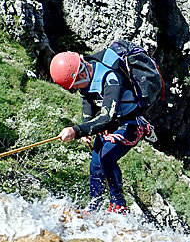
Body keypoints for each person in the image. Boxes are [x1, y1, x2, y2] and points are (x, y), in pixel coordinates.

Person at [50, 48, 151, 214]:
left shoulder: (111, 78)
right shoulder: (85, 78)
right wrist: (86, 127)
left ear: (81, 74)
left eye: (75, 86)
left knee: (107, 158)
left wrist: (77, 131)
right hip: (110, 125)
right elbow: (87, 101)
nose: (76, 90)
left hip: (130, 124)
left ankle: (118, 205)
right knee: (96, 164)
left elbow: (106, 117)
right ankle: (94, 206)